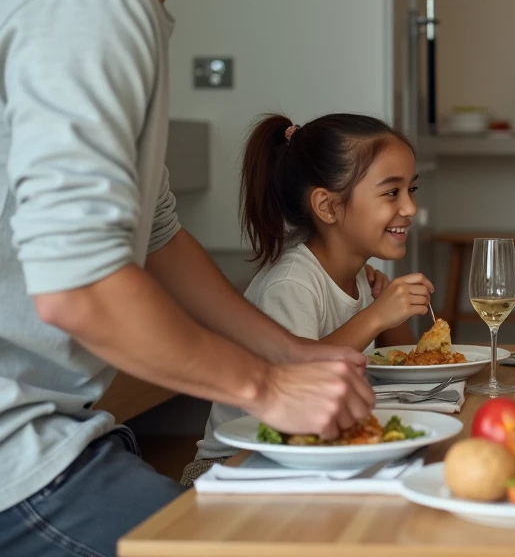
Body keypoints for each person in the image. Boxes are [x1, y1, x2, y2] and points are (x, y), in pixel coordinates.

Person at [0, 0, 377, 555]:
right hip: (18, 461)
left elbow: (161, 236)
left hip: (63, 434)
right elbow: (77, 290)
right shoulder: (89, 3)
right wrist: (268, 385)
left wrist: (297, 354)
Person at [185, 114, 434, 481]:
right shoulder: (292, 283)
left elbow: (405, 371)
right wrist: (376, 317)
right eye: (391, 192)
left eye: (412, 189)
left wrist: (390, 317)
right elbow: (298, 382)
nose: (410, 208)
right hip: (237, 466)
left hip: (309, 455)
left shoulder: (358, 277)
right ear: (328, 206)